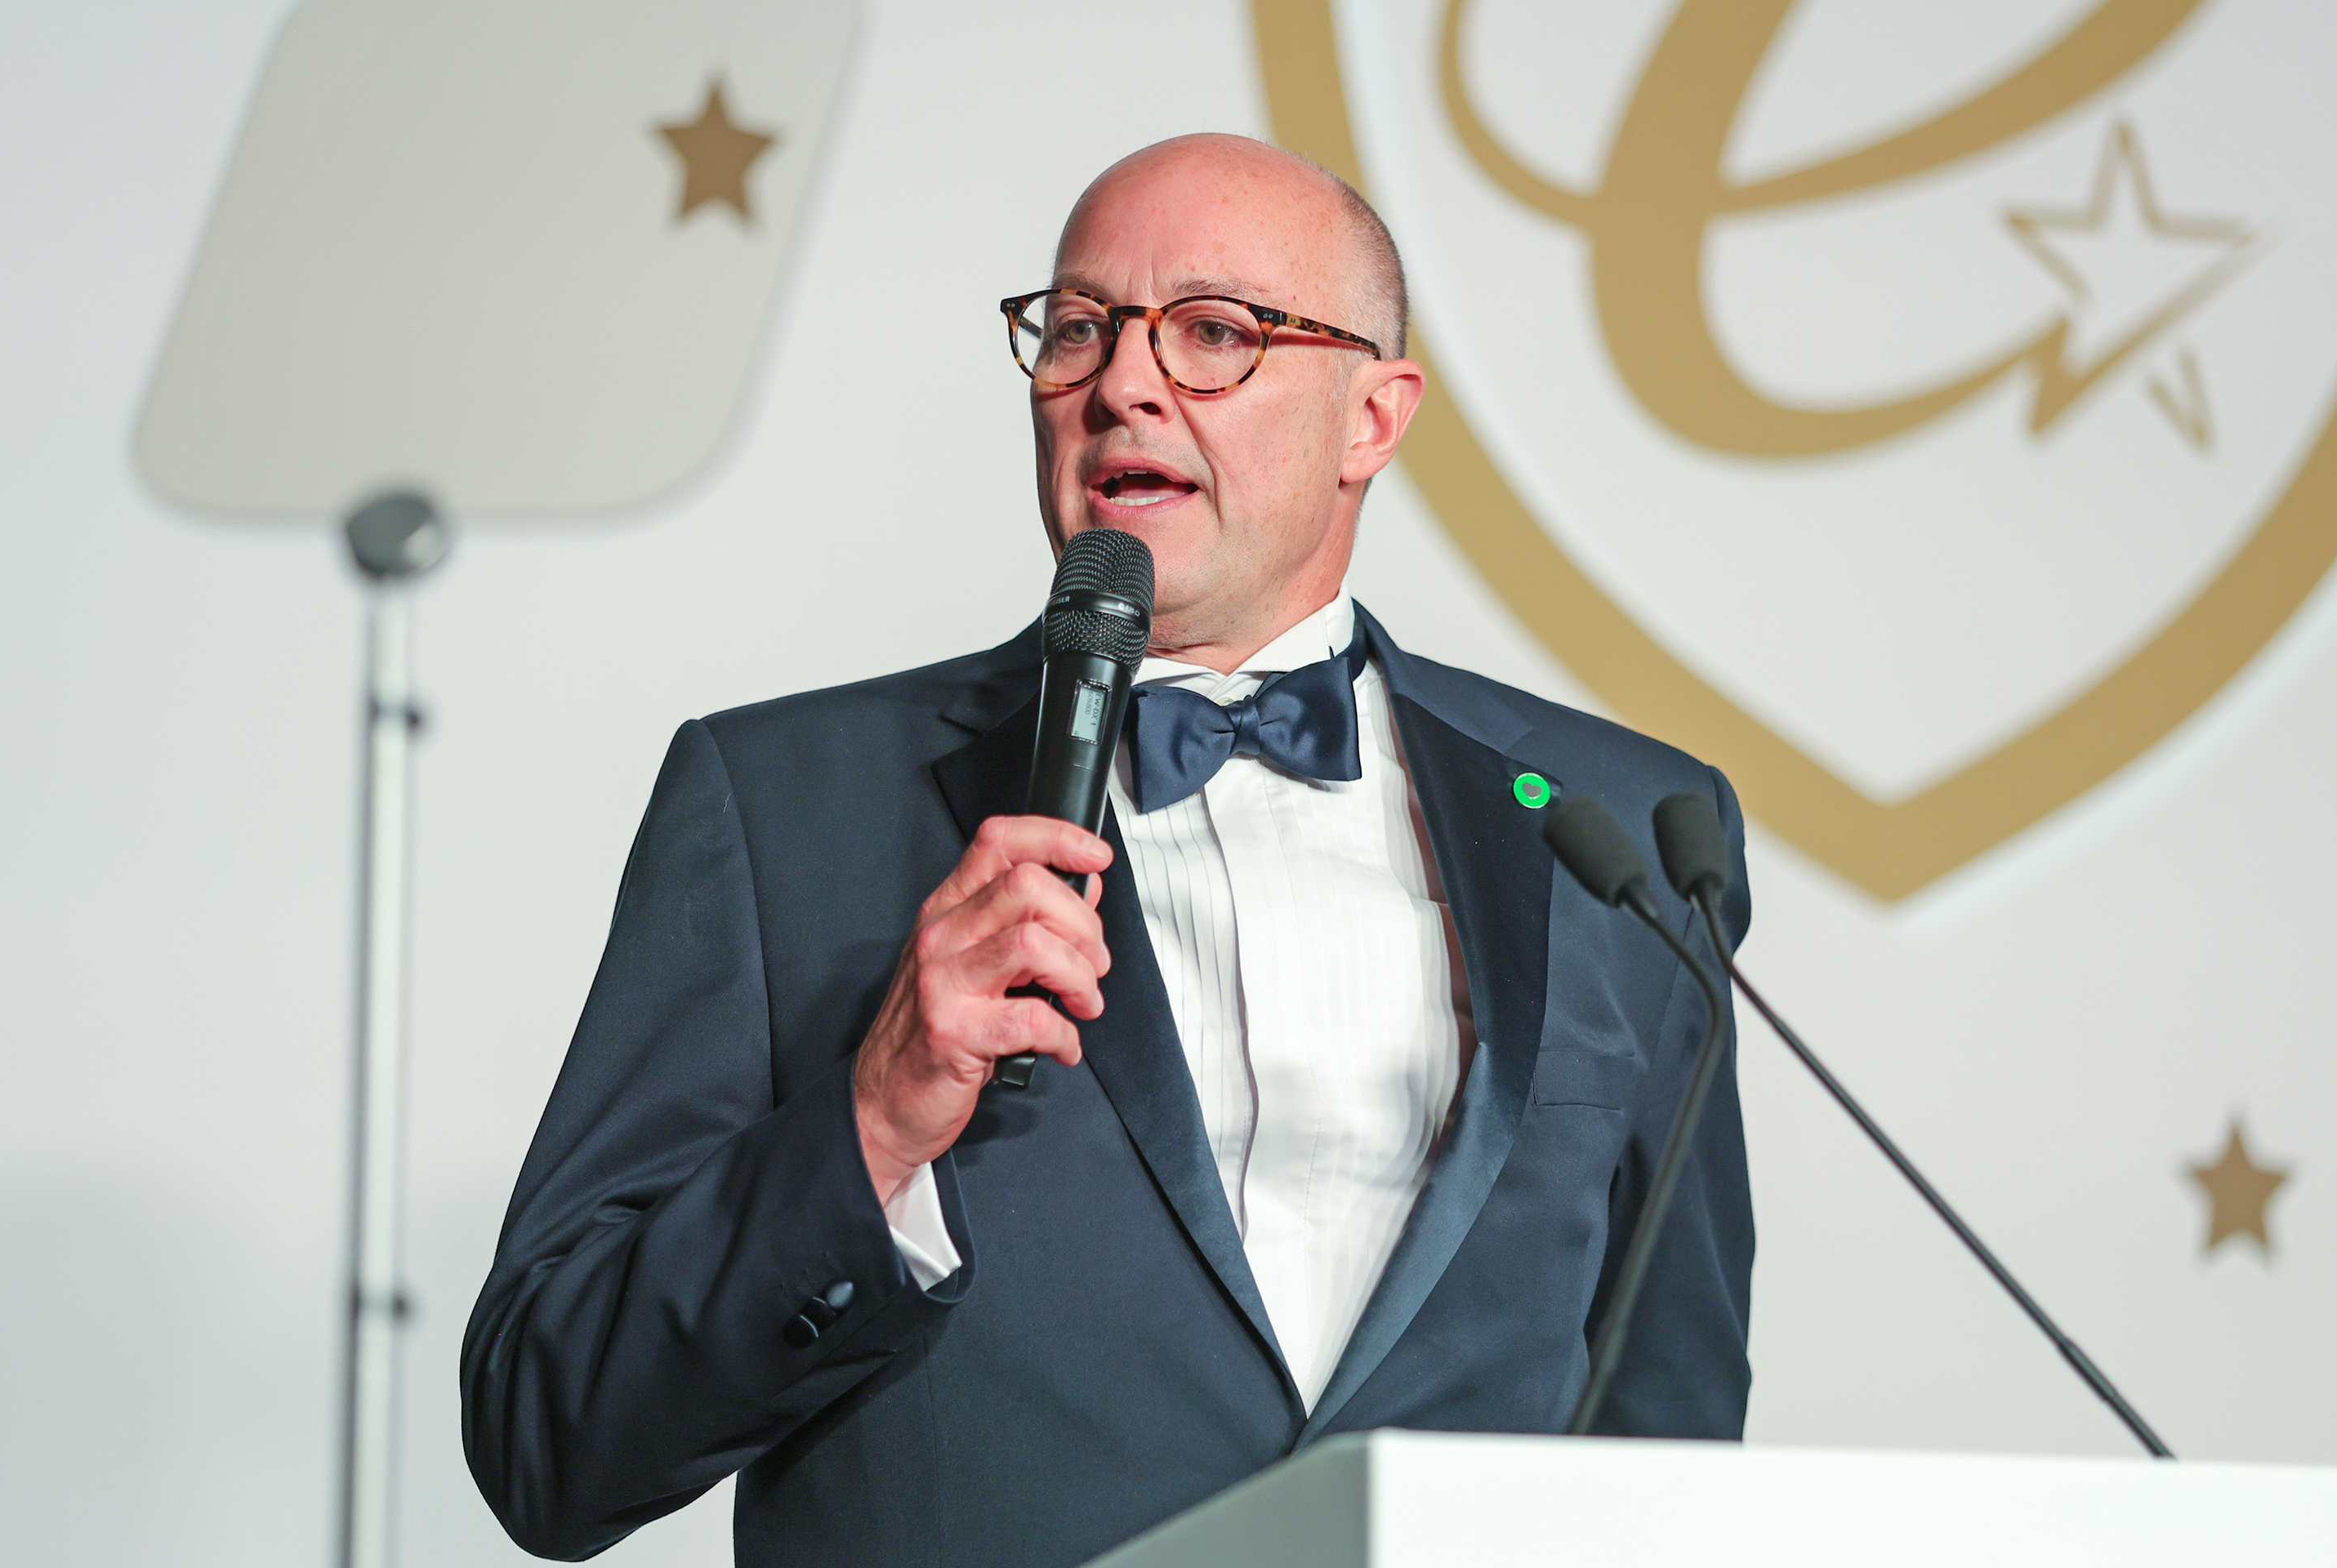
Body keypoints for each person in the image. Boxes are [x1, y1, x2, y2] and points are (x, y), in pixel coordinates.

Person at [462, 133, 1753, 1568]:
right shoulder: (782, 808)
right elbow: (545, 1435)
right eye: (1078, 328)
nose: (1123, 384)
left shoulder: (1623, 830)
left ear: (1373, 418)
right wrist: (873, 1122)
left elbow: (1672, 1429)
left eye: (1215, 332)